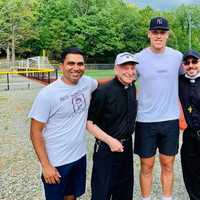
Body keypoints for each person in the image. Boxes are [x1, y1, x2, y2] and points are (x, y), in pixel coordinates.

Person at [28, 47, 98, 200]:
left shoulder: (86, 83)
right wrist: (46, 166)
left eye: (80, 64)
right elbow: (35, 132)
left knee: (72, 196)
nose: (76, 68)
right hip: (56, 161)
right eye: (71, 63)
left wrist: (122, 77)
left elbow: (100, 83)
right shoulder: (48, 94)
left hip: (79, 156)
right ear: (61, 66)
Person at [134, 17, 183, 200]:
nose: (158, 35)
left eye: (162, 32)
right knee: (146, 165)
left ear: (167, 35)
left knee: (168, 164)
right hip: (145, 120)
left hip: (170, 119)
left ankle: (167, 198)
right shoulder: (138, 58)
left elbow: (190, 76)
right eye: (155, 32)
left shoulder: (177, 57)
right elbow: (125, 80)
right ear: (149, 34)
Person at [87, 52, 138, 200]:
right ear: (116, 69)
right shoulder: (103, 91)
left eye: (132, 67)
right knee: (102, 192)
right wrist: (110, 141)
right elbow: (89, 123)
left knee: (124, 191)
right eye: (125, 67)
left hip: (126, 147)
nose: (129, 71)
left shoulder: (132, 88)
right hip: (106, 149)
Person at [179, 49, 200, 200]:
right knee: (190, 171)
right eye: (187, 63)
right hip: (189, 135)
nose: (191, 65)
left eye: (194, 62)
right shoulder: (178, 82)